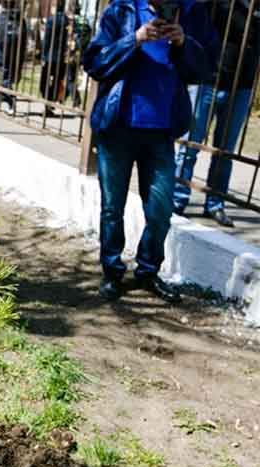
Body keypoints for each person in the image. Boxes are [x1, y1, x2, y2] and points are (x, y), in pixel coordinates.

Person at [82, 0, 219, 303]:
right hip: (117, 126)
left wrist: (184, 43)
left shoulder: (193, 12)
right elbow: (94, 62)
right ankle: (112, 271)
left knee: (160, 210)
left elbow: (207, 68)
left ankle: (147, 271)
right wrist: (135, 39)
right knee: (111, 208)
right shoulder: (121, 10)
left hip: (161, 132)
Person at [172, 0, 260, 227]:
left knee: (225, 152)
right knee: (191, 144)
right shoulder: (219, 3)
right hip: (208, 82)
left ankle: (215, 203)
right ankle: (177, 197)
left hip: (243, 86)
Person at [39, 0, 68, 111]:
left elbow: (47, 40)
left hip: (50, 56)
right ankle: (51, 102)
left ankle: (48, 101)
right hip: (61, 57)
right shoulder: (65, 20)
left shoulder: (52, 20)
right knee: (56, 81)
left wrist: (43, 56)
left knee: (44, 82)